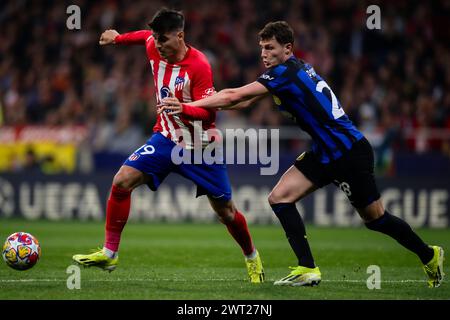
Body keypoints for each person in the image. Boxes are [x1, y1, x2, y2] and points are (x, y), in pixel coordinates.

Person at [159, 21, 445, 288]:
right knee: (279, 198)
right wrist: (204, 108)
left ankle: (428, 255)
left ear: (288, 48)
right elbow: (242, 103)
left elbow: (234, 95)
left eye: (270, 48)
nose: (264, 54)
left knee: (375, 219)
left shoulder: (284, 74)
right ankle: (307, 268)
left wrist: (188, 106)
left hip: (348, 152)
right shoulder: (291, 71)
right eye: (261, 48)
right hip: (325, 153)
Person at [72, 8, 264, 284]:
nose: (158, 45)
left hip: (200, 146)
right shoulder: (153, 44)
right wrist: (118, 38)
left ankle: (251, 257)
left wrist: (183, 108)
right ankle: (110, 252)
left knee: (226, 212)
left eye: (163, 39)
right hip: (164, 139)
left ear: (180, 35)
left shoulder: (199, 65)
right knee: (122, 181)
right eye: (156, 39)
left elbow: (210, 114)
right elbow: (142, 37)